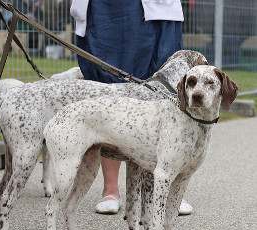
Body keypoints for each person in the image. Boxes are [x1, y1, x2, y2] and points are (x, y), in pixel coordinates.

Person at [70, 0, 193, 215]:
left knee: (163, 86)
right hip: (106, 9)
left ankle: (169, 191)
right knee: (110, 89)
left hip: (157, 8)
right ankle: (110, 190)